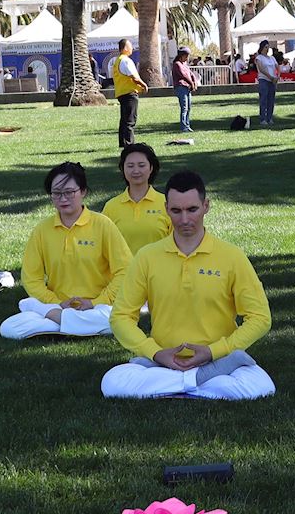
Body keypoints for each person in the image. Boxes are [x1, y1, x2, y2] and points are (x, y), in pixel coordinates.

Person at [102, 170, 276, 400]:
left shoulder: (232, 256)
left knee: (262, 386)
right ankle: (197, 383)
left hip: (218, 360)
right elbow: (120, 316)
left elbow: (260, 317)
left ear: (206, 206)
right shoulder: (147, 257)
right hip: (164, 362)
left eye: (192, 209)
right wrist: (155, 353)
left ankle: (172, 387)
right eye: (176, 211)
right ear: (166, 209)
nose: (184, 219)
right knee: (111, 382)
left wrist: (214, 351)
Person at [0, 162, 132, 339]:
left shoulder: (102, 224)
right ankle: (71, 323)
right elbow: (31, 278)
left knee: (114, 320)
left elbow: (125, 270)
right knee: (8, 328)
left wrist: (96, 302)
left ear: (83, 191)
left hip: (99, 306)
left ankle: (56, 321)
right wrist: (56, 303)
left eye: (69, 192)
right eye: (56, 193)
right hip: (56, 305)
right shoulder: (42, 230)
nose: (63, 199)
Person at [102, 143, 172, 255]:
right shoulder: (111, 207)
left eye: (141, 165)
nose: (136, 171)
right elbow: (103, 246)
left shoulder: (167, 204)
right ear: (123, 169)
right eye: (130, 166)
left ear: (151, 168)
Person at [111, 39, 148, 148]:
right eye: (130, 46)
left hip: (121, 92)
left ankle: (122, 143)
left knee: (124, 120)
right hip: (129, 93)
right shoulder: (126, 60)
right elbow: (134, 77)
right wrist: (143, 85)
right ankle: (129, 144)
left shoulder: (117, 61)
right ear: (125, 48)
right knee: (130, 120)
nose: (132, 48)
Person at [171, 45, 197, 133]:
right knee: (184, 107)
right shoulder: (177, 64)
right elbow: (183, 75)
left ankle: (187, 125)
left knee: (188, 107)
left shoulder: (184, 64)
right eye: (186, 56)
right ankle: (184, 126)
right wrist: (191, 83)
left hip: (187, 87)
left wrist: (194, 81)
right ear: (181, 56)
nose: (187, 58)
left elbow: (190, 73)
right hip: (181, 87)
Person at [254, 39, 278, 127]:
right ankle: (263, 119)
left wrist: (277, 76)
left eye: (268, 47)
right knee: (263, 99)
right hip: (264, 80)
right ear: (262, 48)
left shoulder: (272, 58)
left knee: (271, 100)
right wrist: (270, 77)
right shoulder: (259, 58)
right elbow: (261, 69)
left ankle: (269, 118)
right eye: (265, 47)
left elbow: (277, 66)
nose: (267, 49)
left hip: (272, 81)